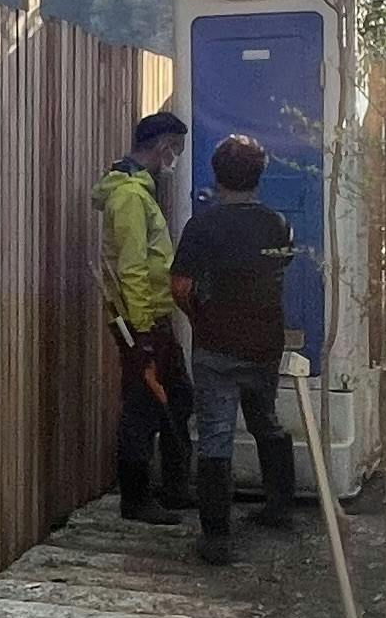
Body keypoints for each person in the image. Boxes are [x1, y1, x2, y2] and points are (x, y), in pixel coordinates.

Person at [170, 131, 302, 567]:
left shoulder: (202, 227)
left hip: (216, 344)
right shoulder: (277, 224)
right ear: (260, 175)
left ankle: (217, 538)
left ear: (217, 175)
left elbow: (180, 286)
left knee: (215, 433)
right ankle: (279, 506)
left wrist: (199, 317)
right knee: (266, 420)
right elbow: (281, 266)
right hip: (264, 342)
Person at [97, 113, 192, 522]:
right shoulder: (131, 197)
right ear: (163, 145)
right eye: (176, 148)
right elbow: (133, 268)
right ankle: (136, 499)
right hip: (143, 321)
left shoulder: (139, 191)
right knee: (143, 406)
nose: (175, 158)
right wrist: (143, 332)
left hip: (155, 316)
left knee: (178, 400)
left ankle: (174, 489)